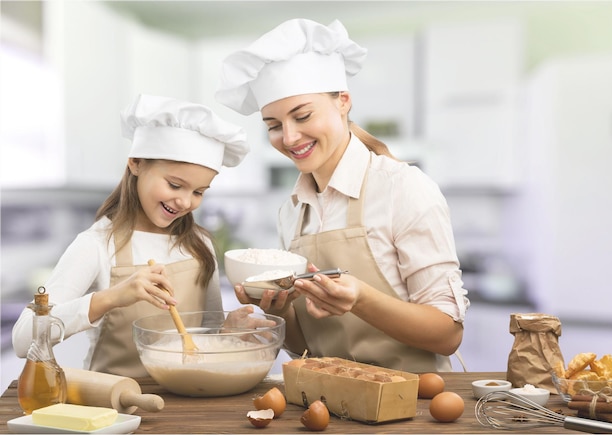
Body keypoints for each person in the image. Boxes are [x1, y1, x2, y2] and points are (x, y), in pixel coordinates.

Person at [215, 18, 470, 372]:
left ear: (343, 102)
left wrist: (361, 299)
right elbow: (311, 348)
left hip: (411, 409)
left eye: (302, 116)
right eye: (273, 126)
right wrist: (281, 312)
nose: (288, 138)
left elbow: (447, 334)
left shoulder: (403, 188)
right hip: (326, 405)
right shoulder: (292, 211)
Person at [12, 94, 252, 377]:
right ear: (136, 163)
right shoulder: (97, 244)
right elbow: (23, 337)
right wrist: (111, 297)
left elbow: (203, 335)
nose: (186, 202)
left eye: (198, 192)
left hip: (189, 401)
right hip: (114, 409)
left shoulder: (199, 245)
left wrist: (228, 330)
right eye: (175, 185)